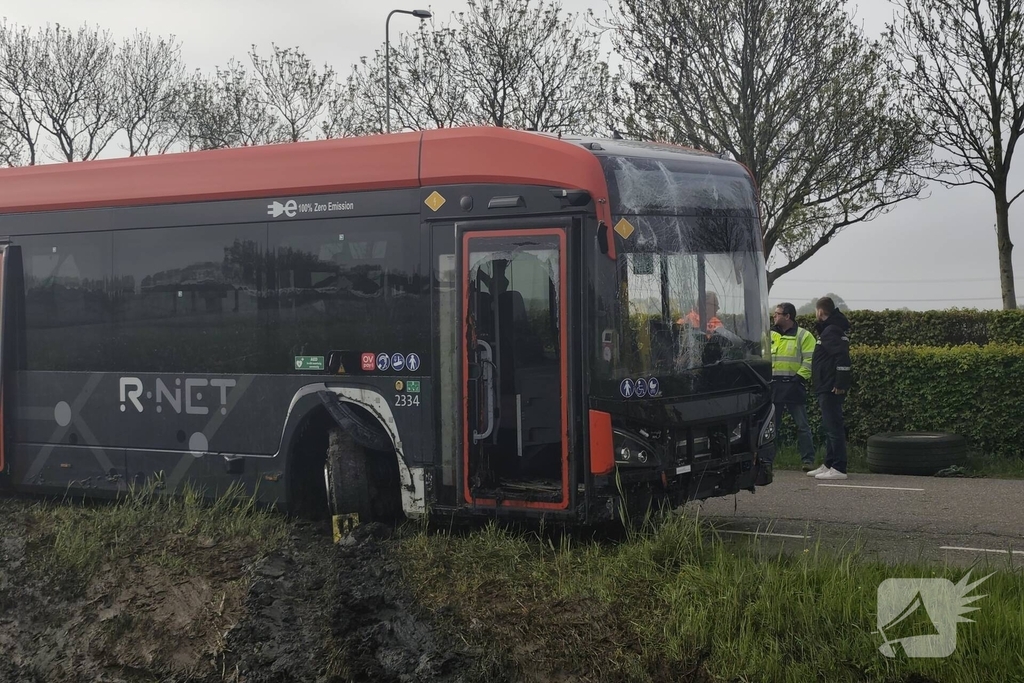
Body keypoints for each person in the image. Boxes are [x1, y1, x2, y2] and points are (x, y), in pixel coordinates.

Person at [807, 296, 851, 480]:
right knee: (830, 426)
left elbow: (842, 358)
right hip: (827, 385)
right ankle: (829, 464)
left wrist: (840, 384)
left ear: (820, 311)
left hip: (830, 387)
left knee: (834, 428)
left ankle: (839, 467)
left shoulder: (831, 331)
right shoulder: (831, 329)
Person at [770, 302, 816, 471]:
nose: (774, 316)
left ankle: (808, 460)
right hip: (774, 386)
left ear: (787, 316)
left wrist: (799, 378)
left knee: (802, 426)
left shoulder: (804, 335)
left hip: (794, 385)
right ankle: (768, 461)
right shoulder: (769, 335)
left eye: (777, 314)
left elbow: (810, 360)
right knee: (771, 427)